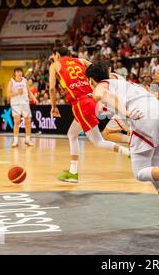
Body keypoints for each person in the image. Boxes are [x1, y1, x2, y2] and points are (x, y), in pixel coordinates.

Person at [86, 61, 159, 227]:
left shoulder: (99, 88)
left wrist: (126, 112)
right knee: (154, 170)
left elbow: (107, 95)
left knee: (140, 172)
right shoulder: (121, 82)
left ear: (91, 81)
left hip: (142, 115)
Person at [49, 46, 130, 183]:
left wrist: (53, 106)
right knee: (72, 134)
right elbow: (97, 70)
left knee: (98, 142)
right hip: (93, 97)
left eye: (54, 55)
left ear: (56, 54)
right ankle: (73, 171)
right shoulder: (80, 60)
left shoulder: (55, 65)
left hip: (81, 103)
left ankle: (128, 152)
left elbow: (51, 88)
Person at [7, 67, 38, 148]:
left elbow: (28, 91)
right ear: (15, 73)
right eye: (17, 71)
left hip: (25, 103)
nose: (19, 73)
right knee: (17, 121)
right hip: (15, 104)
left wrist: (34, 98)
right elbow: (8, 95)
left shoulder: (25, 80)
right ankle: (15, 141)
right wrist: (17, 93)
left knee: (28, 121)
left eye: (20, 71)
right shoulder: (11, 82)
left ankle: (28, 140)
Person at [101, 69, 130, 145]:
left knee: (105, 134)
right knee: (131, 133)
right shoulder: (118, 77)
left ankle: (133, 141)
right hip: (129, 108)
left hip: (124, 111)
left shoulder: (107, 83)